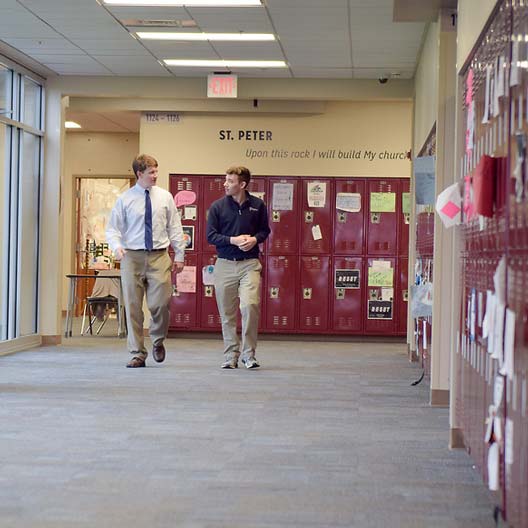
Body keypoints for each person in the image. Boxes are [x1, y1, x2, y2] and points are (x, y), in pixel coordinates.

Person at [106, 154, 185, 368]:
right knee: (132, 306)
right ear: (139, 174)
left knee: (160, 304)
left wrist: (179, 254)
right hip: (132, 256)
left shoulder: (165, 197)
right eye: (151, 172)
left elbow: (175, 227)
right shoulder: (125, 199)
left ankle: (158, 340)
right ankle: (137, 353)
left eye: (156, 171)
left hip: (159, 254)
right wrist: (117, 246)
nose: (155, 176)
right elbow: (112, 228)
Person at [206, 166, 271, 369]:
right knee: (227, 313)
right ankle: (230, 355)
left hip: (249, 264)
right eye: (225, 180)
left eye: (230, 181)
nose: (225, 184)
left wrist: (254, 239)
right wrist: (233, 240)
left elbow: (264, 230)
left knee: (250, 306)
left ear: (242, 184)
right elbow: (211, 236)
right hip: (225, 264)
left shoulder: (258, 205)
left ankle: (249, 354)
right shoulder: (217, 207)